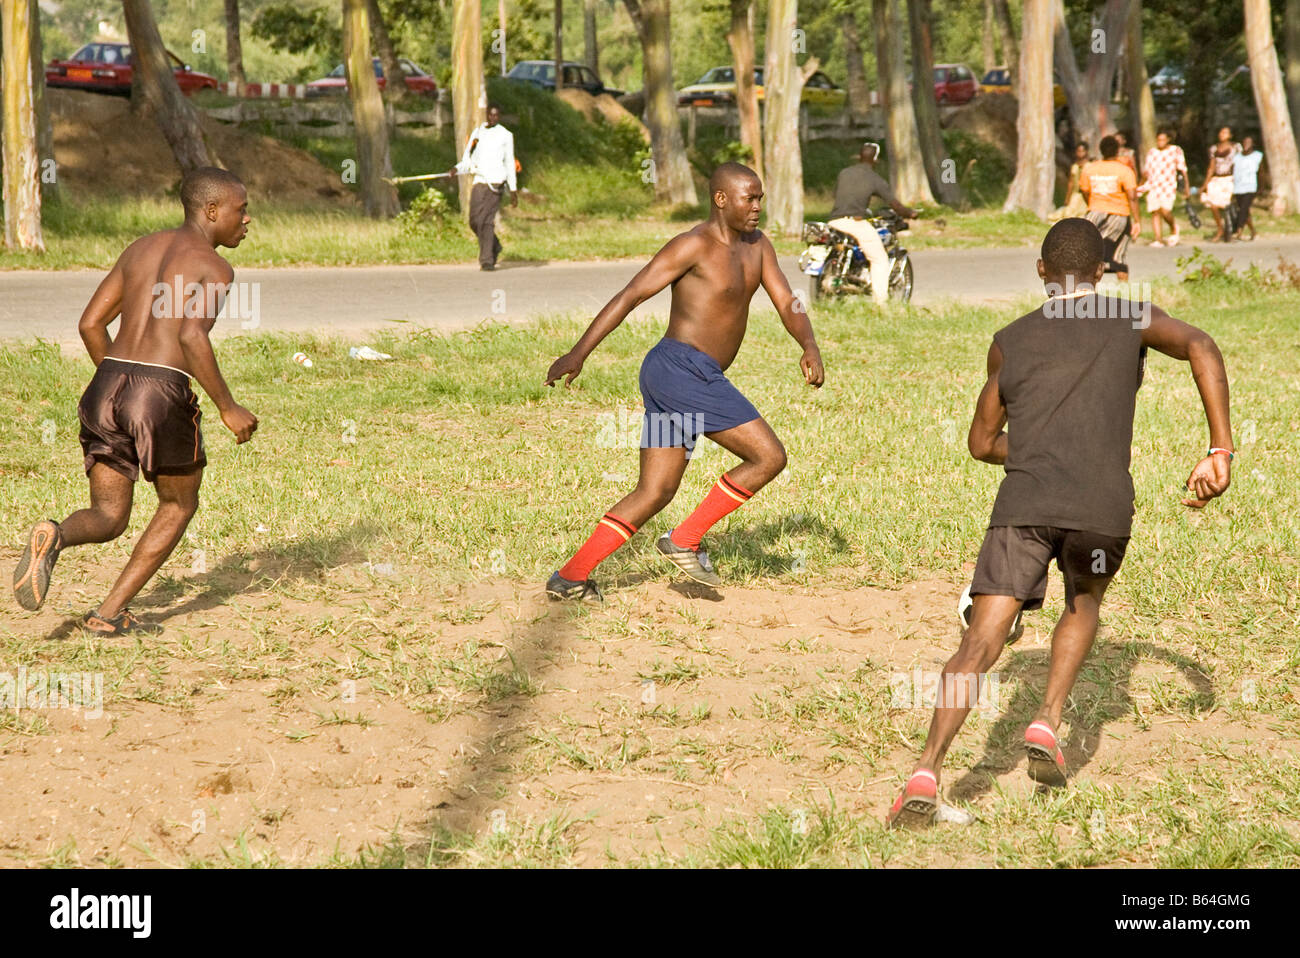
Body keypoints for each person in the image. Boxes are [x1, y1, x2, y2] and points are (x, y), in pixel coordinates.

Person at [887, 218, 1233, 829]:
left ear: (1041, 272)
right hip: (1100, 512)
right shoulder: (1131, 317)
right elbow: (1203, 344)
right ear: (1102, 271)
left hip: (1022, 509)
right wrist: (1219, 450)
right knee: (1083, 596)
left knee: (981, 640)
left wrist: (1035, 450)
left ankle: (927, 770)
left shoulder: (1010, 340)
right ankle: (1047, 718)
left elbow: (980, 441)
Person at [542, 163, 824, 600]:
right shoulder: (692, 245)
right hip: (678, 370)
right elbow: (630, 295)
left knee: (655, 491)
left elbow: (788, 301)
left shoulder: (758, 246)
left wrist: (808, 344)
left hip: (681, 376)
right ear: (721, 199)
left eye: (760, 198)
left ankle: (569, 578)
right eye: (749, 198)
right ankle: (685, 540)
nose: (757, 207)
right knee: (768, 457)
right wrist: (579, 353)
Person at [12, 168, 259, 636]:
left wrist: (119, 385)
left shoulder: (140, 248)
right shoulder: (215, 267)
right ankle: (108, 614)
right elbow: (190, 334)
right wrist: (228, 406)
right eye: (240, 209)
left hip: (105, 387)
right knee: (178, 505)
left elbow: (89, 324)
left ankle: (56, 534)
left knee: (109, 516)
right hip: (160, 390)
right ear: (211, 211)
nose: (247, 220)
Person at [826, 142, 919, 306]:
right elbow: (895, 205)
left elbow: (839, 195)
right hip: (854, 223)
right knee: (879, 259)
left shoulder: (844, 173)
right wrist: (910, 213)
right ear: (875, 159)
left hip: (834, 221)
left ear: (860, 156)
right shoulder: (875, 179)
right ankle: (880, 304)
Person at [448, 103, 517, 270]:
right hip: (480, 181)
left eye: (496, 115)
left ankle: (486, 260)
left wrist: (513, 189)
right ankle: (495, 245)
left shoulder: (505, 135)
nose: (493, 118)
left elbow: (509, 162)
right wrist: (456, 169)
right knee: (474, 221)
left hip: (496, 182)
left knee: (486, 221)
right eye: (490, 114)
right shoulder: (478, 133)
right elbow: (468, 159)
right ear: (486, 115)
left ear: (499, 116)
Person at [1080, 135, 1141, 281]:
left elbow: (1085, 190)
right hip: (1119, 216)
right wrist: (1137, 220)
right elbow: (1132, 197)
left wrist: (1093, 204)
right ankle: (1124, 294)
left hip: (1093, 215)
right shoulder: (1124, 171)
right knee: (1118, 258)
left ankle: (1087, 295)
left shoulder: (1089, 169)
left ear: (1101, 150)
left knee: (1090, 257)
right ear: (1118, 151)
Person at [1137, 129, 1189, 247]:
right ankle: (1158, 239)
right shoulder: (1152, 152)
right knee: (1155, 211)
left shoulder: (1175, 150)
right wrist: (1141, 185)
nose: (1160, 142)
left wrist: (1186, 187)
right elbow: (1146, 171)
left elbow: (1183, 169)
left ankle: (1173, 228)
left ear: (1168, 140)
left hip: (1168, 185)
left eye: (1162, 140)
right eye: (1158, 140)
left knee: (1165, 210)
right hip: (1154, 185)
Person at [1203, 126, 1239, 242]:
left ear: (1230, 135)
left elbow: (1239, 164)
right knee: (1213, 205)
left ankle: (1232, 229)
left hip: (1230, 178)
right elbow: (1211, 167)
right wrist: (1205, 184)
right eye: (1221, 132)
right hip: (1217, 179)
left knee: (1226, 205)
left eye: (1225, 132)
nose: (1222, 134)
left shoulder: (1236, 148)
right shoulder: (1214, 149)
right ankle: (1220, 228)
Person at [1231, 135, 1263, 242]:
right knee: (1244, 211)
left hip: (1250, 186)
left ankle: (1238, 230)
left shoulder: (1257, 156)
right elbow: (1233, 171)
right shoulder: (1237, 157)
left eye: (1249, 142)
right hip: (1238, 187)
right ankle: (1253, 231)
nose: (1246, 145)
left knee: (1243, 209)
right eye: (1245, 142)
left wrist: (1261, 187)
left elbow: (1261, 173)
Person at [1061, 141, 1091, 219]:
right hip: (1076, 195)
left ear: (1086, 152)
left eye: (1082, 151)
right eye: (1078, 151)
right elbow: (1071, 183)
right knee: (1068, 214)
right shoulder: (1074, 166)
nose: (1080, 153)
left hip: (1086, 196)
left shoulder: (1090, 166)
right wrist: (1067, 198)